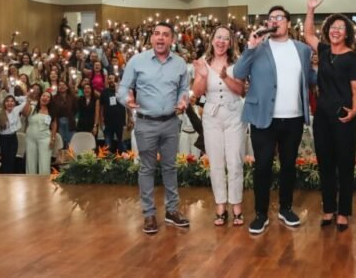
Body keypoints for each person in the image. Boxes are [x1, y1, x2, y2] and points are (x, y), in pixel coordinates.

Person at [233, 5, 315, 235]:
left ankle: (285, 209)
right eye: (271, 18)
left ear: (288, 22)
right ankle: (261, 214)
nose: (275, 21)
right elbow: (238, 73)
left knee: (288, 165)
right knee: (263, 166)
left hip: (293, 118)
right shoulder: (258, 48)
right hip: (263, 118)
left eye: (279, 17)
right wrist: (250, 47)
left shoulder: (302, 50)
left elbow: (310, 77)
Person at [118, 22, 190, 235]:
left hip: (170, 123)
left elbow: (184, 89)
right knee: (147, 168)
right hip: (146, 123)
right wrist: (126, 100)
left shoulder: (180, 63)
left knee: (170, 168)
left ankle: (172, 211)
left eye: (165, 35)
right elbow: (123, 88)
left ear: (172, 40)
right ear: (151, 38)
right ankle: (149, 214)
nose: (160, 38)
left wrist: (183, 100)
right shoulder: (137, 61)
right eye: (157, 34)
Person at [303, 0, 356, 231]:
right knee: (325, 163)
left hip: (344, 116)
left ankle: (343, 212)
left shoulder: (353, 58)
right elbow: (308, 34)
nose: (336, 30)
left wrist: (355, 111)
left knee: (345, 164)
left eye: (341, 28)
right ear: (328, 30)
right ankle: (329, 209)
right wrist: (310, 9)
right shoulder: (324, 51)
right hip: (322, 117)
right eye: (332, 27)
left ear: (347, 33)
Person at [192, 26, 247, 227]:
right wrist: (202, 75)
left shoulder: (237, 63)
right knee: (216, 162)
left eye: (225, 38)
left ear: (230, 43)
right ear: (212, 40)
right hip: (212, 116)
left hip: (234, 115)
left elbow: (241, 90)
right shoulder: (203, 62)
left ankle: (237, 206)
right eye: (218, 37)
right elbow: (197, 92)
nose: (221, 41)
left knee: (235, 161)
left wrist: (225, 77)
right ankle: (220, 206)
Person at [22, 91, 57, 175]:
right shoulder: (32, 107)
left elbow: (54, 124)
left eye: (48, 97)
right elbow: (25, 114)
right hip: (31, 137)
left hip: (45, 137)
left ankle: (44, 181)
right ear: (40, 97)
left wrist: (53, 138)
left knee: (44, 162)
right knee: (30, 161)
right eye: (43, 96)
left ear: (50, 100)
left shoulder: (51, 111)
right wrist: (28, 101)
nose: (45, 98)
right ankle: (31, 180)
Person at [0, 95, 27, 174]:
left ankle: (10, 179)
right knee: (4, 162)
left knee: (11, 161)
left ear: (15, 103)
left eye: (12, 101)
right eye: (7, 101)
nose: (10, 103)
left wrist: (16, 98)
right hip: (3, 140)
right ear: (4, 103)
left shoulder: (16, 110)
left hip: (13, 139)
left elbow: (25, 101)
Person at [99, 75, 127, 153]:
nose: (111, 80)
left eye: (113, 79)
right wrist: (101, 121)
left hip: (120, 123)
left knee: (123, 145)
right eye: (109, 79)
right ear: (107, 81)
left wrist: (129, 119)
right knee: (108, 146)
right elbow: (101, 108)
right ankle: (108, 160)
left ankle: (124, 160)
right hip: (108, 123)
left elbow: (127, 105)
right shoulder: (104, 92)